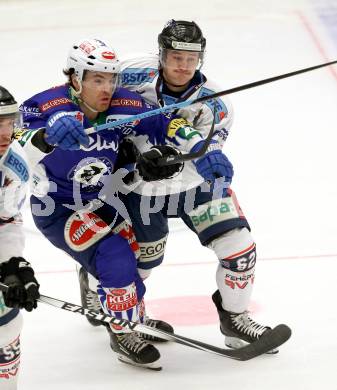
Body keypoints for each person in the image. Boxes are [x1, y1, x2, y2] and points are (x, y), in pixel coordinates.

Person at [19, 38, 231, 370]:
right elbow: (14, 146)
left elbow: (168, 125)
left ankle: (132, 313)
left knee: (136, 259)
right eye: (97, 79)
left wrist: (206, 150)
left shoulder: (125, 105)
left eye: (112, 78)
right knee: (116, 260)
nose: (108, 88)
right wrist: (44, 137)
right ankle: (123, 331)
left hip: (104, 199)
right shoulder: (44, 107)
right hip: (60, 209)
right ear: (75, 78)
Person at [111, 19, 280, 351]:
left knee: (239, 248)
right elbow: (95, 93)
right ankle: (123, 325)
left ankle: (235, 320)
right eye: (175, 57)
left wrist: (212, 157)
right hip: (139, 189)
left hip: (193, 186)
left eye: (190, 59)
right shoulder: (130, 72)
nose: (182, 66)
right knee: (137, 267)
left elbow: (208, 148)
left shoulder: (217, 103)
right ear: (160, 54)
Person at [0, 86, 40, 389]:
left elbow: (8, 221)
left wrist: (12, 263)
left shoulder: (14, 165)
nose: (5, 134)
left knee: (7, 326)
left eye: (9, 123)